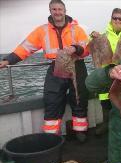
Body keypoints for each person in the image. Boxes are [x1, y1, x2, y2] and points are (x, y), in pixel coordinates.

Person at [0, 0, 89, 141]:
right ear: (50, 11)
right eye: (54, 9)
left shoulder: (76, 29)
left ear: (65, 11)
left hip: (77, 66)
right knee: (52, 99)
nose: (57, 12)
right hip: (56, 67)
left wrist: (75, 48)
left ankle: (80, 131)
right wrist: (8, 60)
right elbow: (26, 47)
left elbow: (86, 48)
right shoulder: (42, 30)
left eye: (60, 9)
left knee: (79, 98)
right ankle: (51, 135)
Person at [89, 8, 121, 135]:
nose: (117, 20)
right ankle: (107, 125)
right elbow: (91, 48)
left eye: (120, 18)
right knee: (105, 103)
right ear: (111, 19)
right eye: (114, 18)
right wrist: (92, 36)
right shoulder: (103, 35)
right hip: (107, 75)